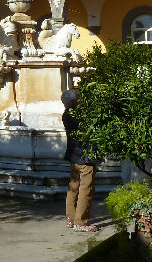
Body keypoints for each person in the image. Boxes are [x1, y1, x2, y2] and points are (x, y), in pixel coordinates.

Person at [61, 89, 98, 232]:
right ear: (74, 100)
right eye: (78, 97)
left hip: (74, 155)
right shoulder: (79, 115)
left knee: (74, 187)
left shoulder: (66, 114)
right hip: (85, 156)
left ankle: (71, 218)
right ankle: (80, 222)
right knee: (85, 189)